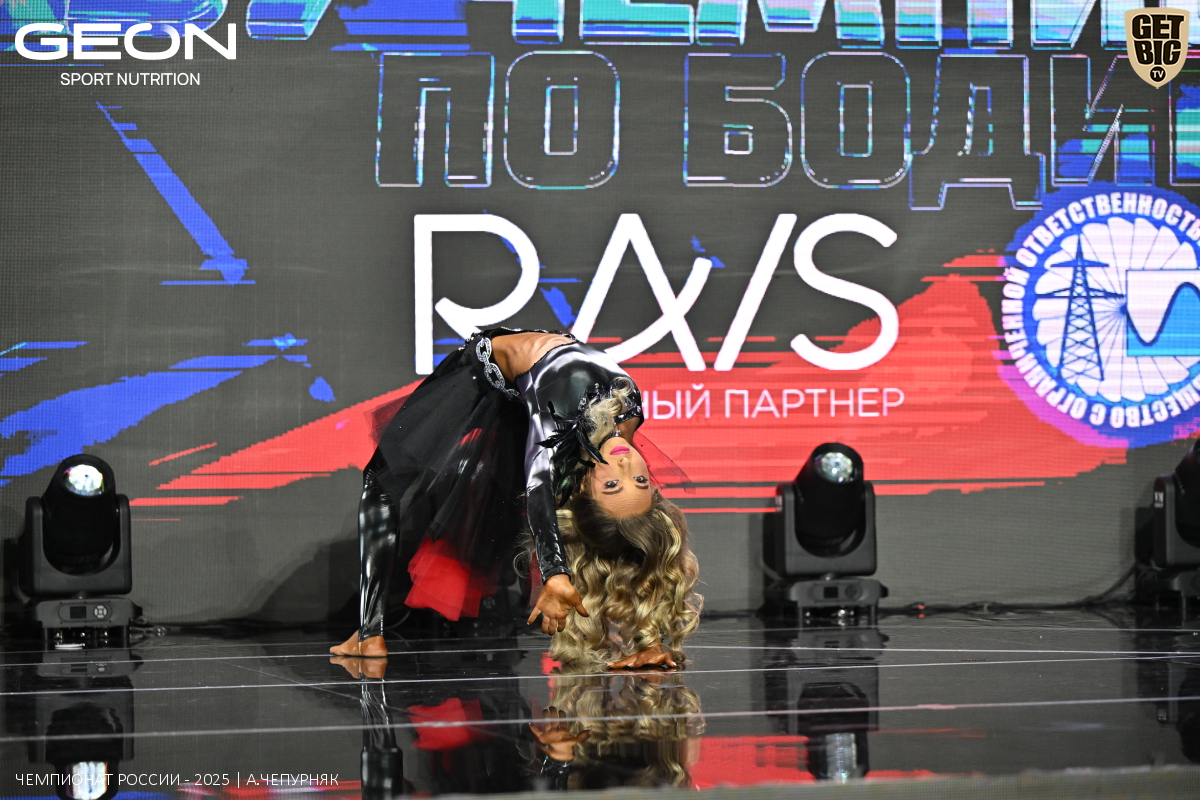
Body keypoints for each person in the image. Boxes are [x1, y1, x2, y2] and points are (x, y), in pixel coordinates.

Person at [331, 329, 701, 667]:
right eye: (640, 480)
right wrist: (648, 638)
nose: (625, 465)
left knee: (380, 481)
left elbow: (539, 485)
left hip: (484, 379)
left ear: (585, 487)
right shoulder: (629, 409)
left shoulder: (565, 405)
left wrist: (556, 573)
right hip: (518, 393)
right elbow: (639, 544)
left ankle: (369, 635)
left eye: (613, 486)